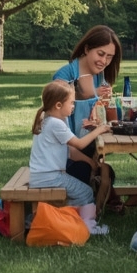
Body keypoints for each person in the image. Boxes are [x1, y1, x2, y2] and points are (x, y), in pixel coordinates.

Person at [51, 25, 124, 213]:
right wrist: (92, 96)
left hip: (87, 145)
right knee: (85, 172)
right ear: (86, 49)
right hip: (62, 154)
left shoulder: (100, 78)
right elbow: (57, 120)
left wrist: (110, 103)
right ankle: (95, 199)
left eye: (109, 57)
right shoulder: (64, 76)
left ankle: (100, 192)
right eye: (101, 54)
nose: (104, 61)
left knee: (107, 173)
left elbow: (107, 118)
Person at [29, 80, 111, 236]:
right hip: (51, 177)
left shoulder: (47, 119)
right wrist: (99, 130)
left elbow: (70, 151)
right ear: (58, 105)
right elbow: (79, 144)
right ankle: (88, 227)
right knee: (86, 193)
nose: (73, 106)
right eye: (71, 103)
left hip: (41, 176)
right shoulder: (55, 124)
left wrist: (90, 162)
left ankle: (67, 218)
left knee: (78, 194)